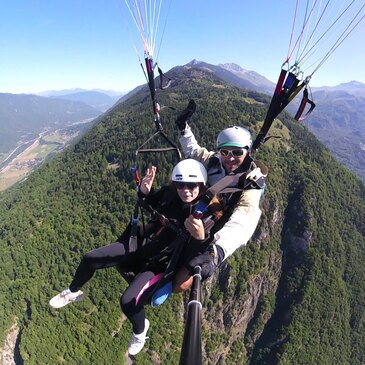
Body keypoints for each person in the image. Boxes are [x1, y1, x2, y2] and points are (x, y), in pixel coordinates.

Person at [49, 159, 219, 356]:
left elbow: (198, 254)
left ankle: (140, 331)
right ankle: (72, 292)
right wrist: (145, 192)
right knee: (90, 258)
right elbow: (150, 205)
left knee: (128, 302)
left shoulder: (206, 216)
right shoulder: (169, 195)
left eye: (192, 185)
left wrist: (199, 238)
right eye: (181, 184)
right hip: (142, 243)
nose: (185, 190)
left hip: (159, 264)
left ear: (202, 185)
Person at [174, 109, 268, 287]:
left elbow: (245, 218)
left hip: (216, 230)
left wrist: (216, 251)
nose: (231, 158)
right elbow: (194, 151)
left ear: (247, 152)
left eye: (237, 153)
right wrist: (183, 128)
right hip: (200, 214)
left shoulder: (252, 181)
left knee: (181, 284)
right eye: (225, 152)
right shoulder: (214, 162)